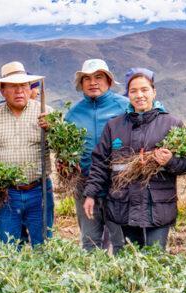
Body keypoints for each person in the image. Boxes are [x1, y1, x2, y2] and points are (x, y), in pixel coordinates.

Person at [81, 71, 186, 251]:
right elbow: (100, 163)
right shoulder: (115, 126)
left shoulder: (172, 124)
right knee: (127, 261)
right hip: (122, 206)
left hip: (157, 207)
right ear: (128, 95)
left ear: (154, 92)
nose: (139, 95)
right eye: (133, 91)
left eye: (144, 90)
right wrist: (91, 194)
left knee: (154, 262)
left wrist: (170, 161)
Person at [44, 59, 129, 252]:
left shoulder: (125, 107)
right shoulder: (74, 113)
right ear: (81, 84)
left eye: (98, 77)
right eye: (87, 79)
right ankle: (93, 278)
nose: (93, 83)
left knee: (121, 241)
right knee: (90, 241)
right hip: (84, 183)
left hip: (118, 183)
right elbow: (63, 146)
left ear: (108, 81)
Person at [0, 61, 52, 246]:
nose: (19, 91)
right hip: (6, 194)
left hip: (40, 190)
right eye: (13, 86)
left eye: (23, 85)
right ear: (2, 91)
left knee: (44, 246)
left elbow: (62, 148)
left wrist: (53, 129)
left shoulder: (46, 113)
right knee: (8, 248)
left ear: (30, 88)